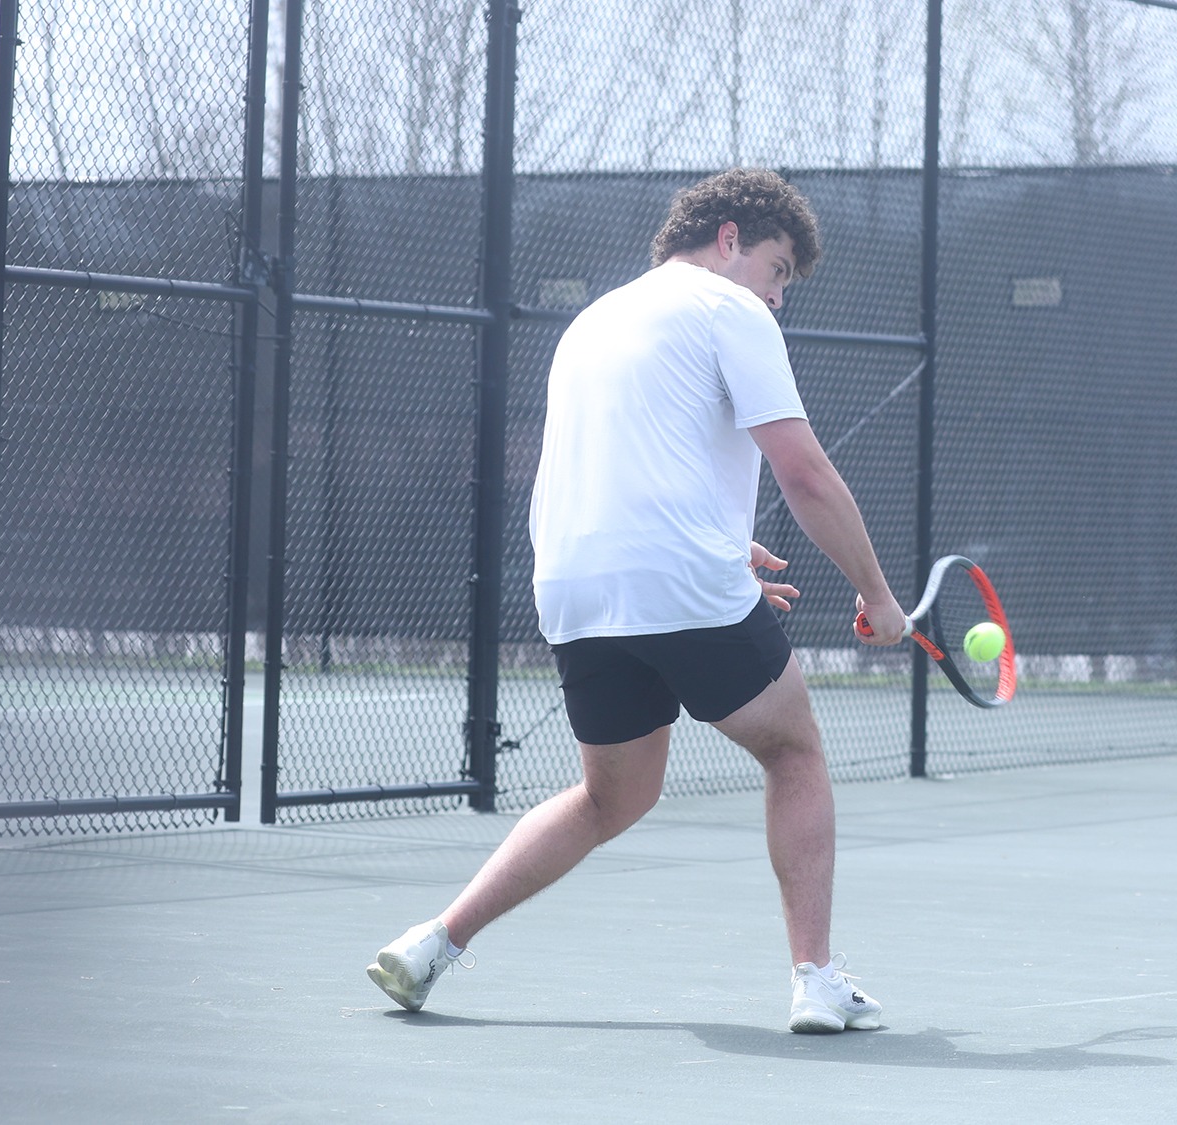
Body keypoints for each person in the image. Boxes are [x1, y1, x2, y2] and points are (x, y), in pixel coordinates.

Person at [366, 168, 909, 1034]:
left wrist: (726, 552)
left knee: (611, 797)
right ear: (730, 238)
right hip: (678, 582)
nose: (777, 299)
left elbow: (630, 464)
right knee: (794, 752)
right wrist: (878, 595)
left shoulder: (594, 319)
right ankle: (816, 980)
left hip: (576, 587)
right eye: (776, 271)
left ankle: (431, 942)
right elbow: (802, 472)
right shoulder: (730, 311)